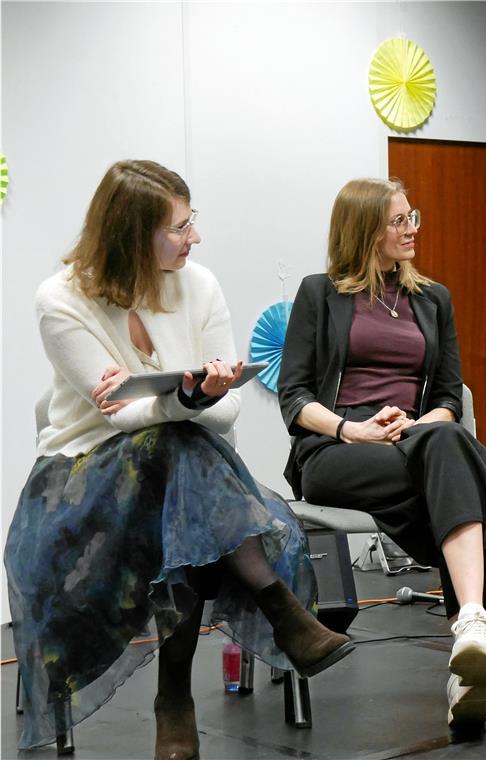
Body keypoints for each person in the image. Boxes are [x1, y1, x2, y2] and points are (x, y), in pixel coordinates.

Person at [4, 160, 353, 758]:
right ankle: (276, 612)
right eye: (181, 228)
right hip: (79, 476)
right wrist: (190, 399)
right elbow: (117, 415)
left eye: (193, 223)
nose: (196, 238)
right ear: (134, 238)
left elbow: (228, 412)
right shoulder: (60, 301)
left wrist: (195, 399)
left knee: (178, 468)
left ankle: (176, 701)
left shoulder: (201, 285)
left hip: (184, 483)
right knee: (176, 447)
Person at [277, 178, 486, 732]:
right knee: (459, 468)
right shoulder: (319, 294)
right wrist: (354, 430)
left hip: (415, 445)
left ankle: (471, 643)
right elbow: (294, 399)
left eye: (414, 217)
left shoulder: (433, 299)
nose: (412, 229)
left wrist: (414, 426)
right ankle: (471, 623)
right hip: (336, 452)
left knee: (443, 446)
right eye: (398, 221)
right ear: (364, 229)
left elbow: (448, 401)